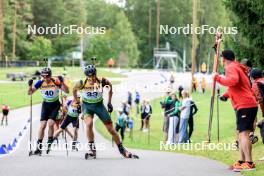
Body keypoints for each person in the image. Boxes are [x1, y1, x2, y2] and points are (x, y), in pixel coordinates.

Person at [72, 63, 137, 158]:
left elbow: (110, 87)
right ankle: (92, 149)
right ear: (86, 76)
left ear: (95, 74)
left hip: (99, 106)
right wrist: (77, 102)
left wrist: (109, 102)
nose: (91, 79)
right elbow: (74, 90)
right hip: (87, 106)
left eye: (93, 76)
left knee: (111, 129)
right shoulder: (81, 82)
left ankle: (122, 150)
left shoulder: (102, 81)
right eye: (88, 77)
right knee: (89, 124)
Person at [213, 49, 258, 171]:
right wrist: (226, 95)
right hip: (244, 104)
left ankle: (249, 163)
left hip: (245, 105)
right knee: (240, 134)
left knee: (244, 134)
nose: (221, 61)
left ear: (224, 59)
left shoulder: (230, 67)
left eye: (221, 59)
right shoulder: (236, 66)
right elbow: (237, 86)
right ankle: (241, 161)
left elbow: (233, 81)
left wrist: (217, 78)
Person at [28, 67, 69, 155]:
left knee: (50, 124)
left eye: (47, 76)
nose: (45, 78)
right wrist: (30, 86)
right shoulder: (40, 82)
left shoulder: (55, 81)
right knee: (42, 125)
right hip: (45, 104)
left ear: (50, 76)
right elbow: (30, 93)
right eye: (44, 76)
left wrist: (62, 83)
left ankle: (49, 142)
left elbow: (67, 90)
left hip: (55, 105)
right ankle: (39, 147)